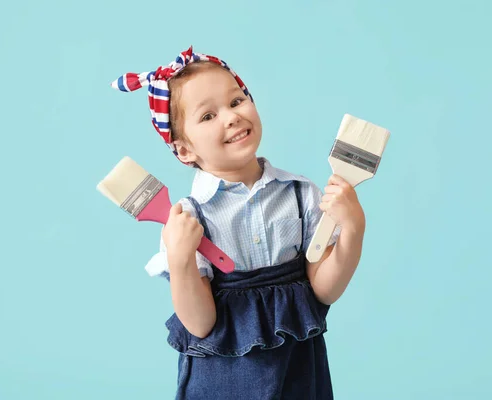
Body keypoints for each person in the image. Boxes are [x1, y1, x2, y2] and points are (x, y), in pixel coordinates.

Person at [111, 46, 366, 399]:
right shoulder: (186, 219)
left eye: (236, 101)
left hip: (297, 369)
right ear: (184, 150)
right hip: (222, 376)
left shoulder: (301, 193)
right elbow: (200, 324)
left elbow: (324, 291)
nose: (230, 117)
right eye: (207, 116)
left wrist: (353, 230)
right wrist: (182, 258)